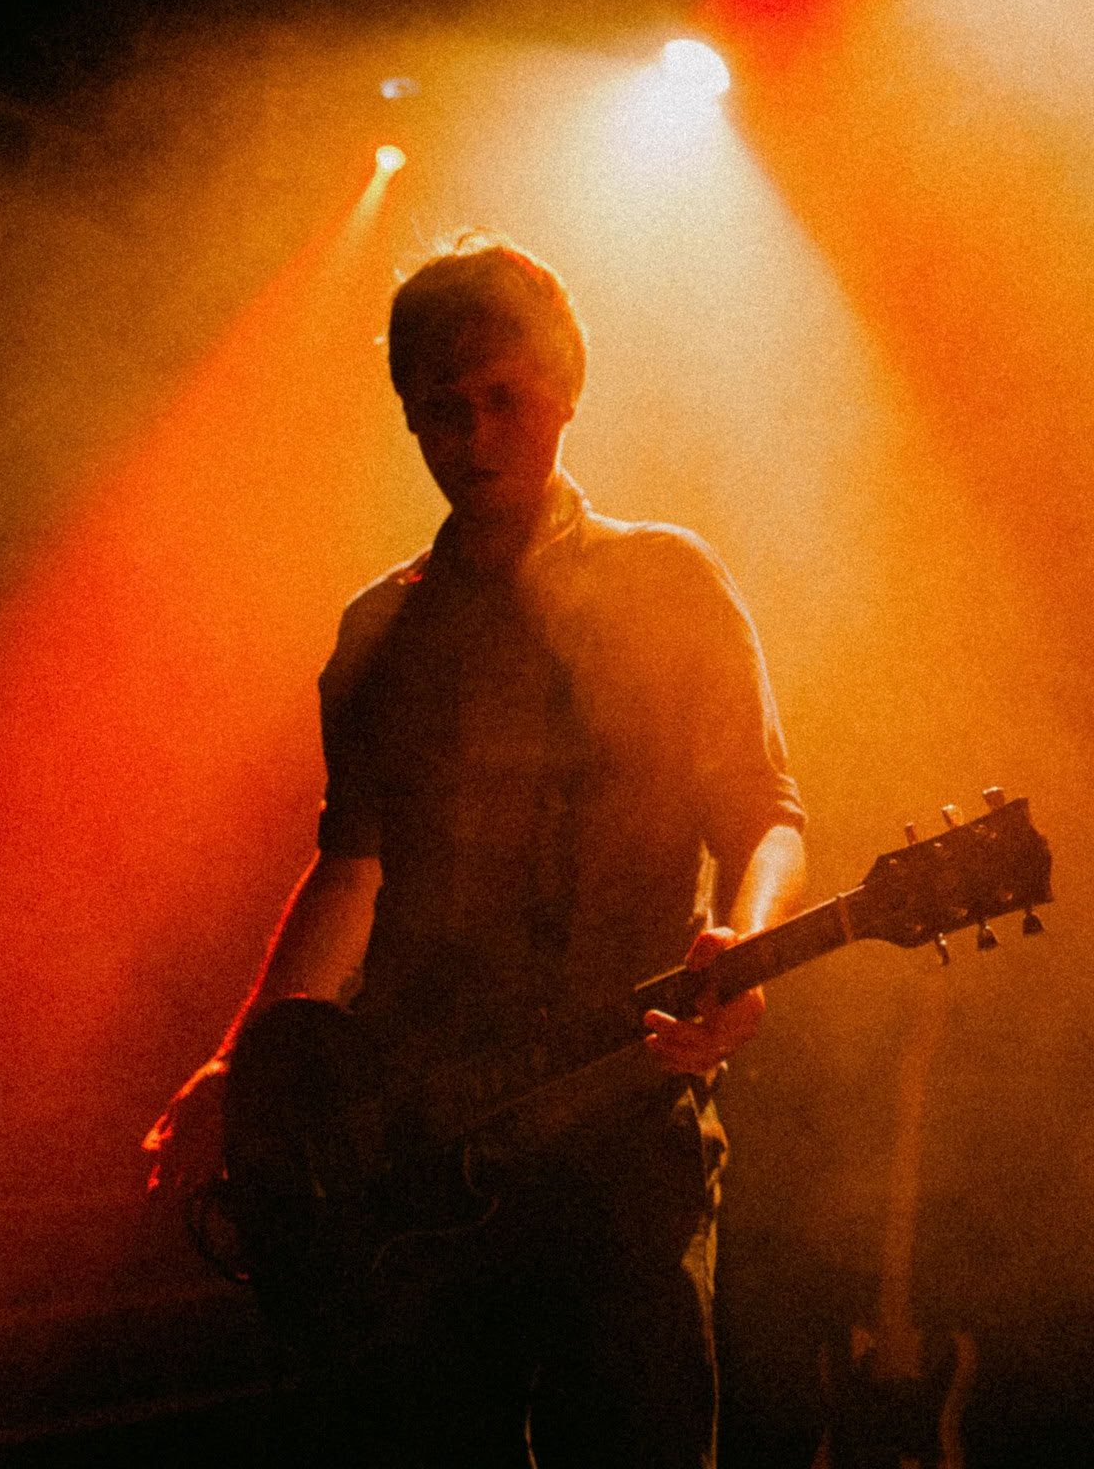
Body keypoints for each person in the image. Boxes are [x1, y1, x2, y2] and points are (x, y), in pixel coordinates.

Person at [145, 232, 808, 1467]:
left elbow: (764, 806)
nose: (476, 436)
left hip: (623, 1124)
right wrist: (251, 1063)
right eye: (442, 409)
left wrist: (748, 947)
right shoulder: (379, 630)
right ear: (410, 417)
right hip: (423, 1139)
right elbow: (353, 866)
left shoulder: (669, 582)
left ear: (567, 389)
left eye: (505, 398)